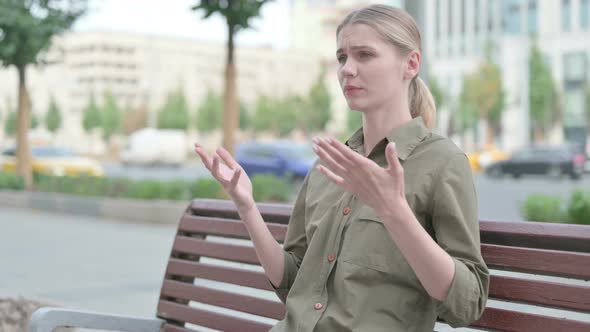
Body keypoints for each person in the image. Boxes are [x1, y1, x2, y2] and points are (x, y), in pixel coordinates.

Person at [194, 4, 489, 332]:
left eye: (364, 55)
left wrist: (396, 214)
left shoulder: (442, 163)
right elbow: (293, 282)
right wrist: (247, 207)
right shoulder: (328, 166)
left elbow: (468, 303)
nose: (347, 69)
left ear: (411, 63)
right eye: (341, 57)